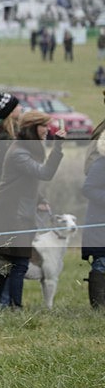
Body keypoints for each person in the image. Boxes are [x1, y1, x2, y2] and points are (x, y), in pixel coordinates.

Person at [0, 110, 66, 308]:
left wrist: (39, 198)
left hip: (18, 212)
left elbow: (25, 181)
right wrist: (58, 148)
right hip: (11, 215)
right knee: (19, 263)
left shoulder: (28, 149)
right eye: (44, 126)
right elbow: (45, 173)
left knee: (7, 265)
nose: (48, 130)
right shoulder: (20, 152)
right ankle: (15, 307)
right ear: (33, 128)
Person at [82, 131, 105, 309]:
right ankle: (98, 306)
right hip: (99, 224)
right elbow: (88, 189)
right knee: (101, 262)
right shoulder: (100, 164)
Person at [0, 91, 22, 182]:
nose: (21, 108)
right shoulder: (4, 140)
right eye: (18, 106)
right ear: (10, 112)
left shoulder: (12, 134)